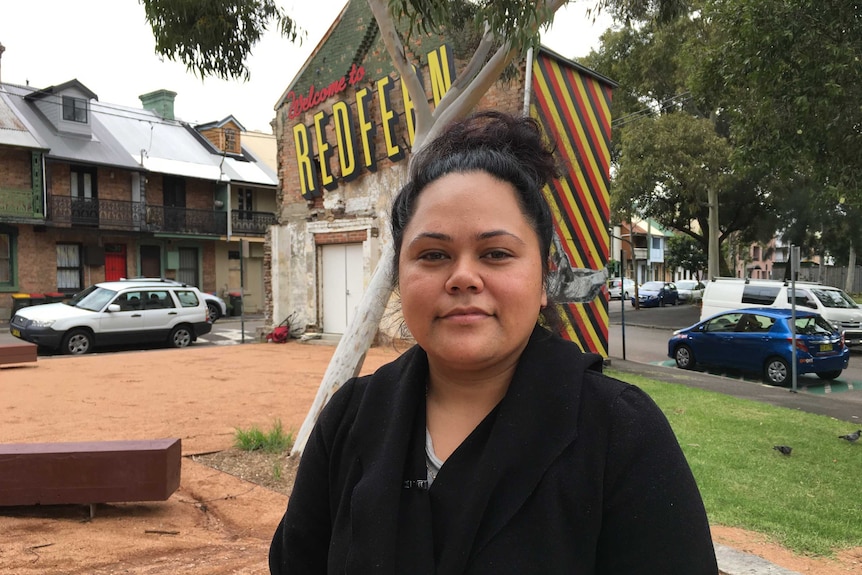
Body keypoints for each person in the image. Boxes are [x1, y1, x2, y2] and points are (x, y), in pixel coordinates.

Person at [269, 111, 718, 574]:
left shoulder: (621, 435)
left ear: (544, 278)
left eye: (496, 253)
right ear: (400, 278)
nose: (463, 276)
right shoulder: (349, 420)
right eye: (434, 254)